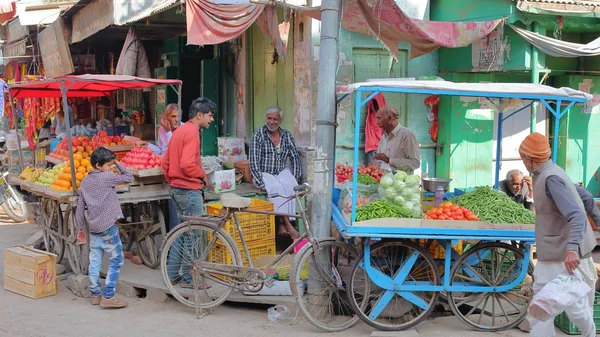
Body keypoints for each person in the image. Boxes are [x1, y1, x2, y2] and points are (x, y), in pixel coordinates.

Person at [518, 132, 597, 337]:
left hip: (565, 255)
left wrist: (571, 249)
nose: (522, 160)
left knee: (573, 307)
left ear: (531, 158)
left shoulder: (551, 178)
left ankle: (590, 333)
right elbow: (585, 196)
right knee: (541, 306)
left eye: (523, 157)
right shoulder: (548, 172)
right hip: (552, 251)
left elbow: (577, 215)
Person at [162, 97, 215, 288]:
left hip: (177, 188)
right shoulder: (192, 132)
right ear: (199, 115)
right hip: (189, 190)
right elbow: (186, 164)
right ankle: (189, 277)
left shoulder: (180, 131)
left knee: (182, 232)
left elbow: (165, 163)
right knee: (194, 235)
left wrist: (173, 181)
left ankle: (172, 274)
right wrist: (203, 177)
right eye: (210, 115)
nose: (212, 120)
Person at [75, 147, 133, 309]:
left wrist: (80, 228)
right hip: (108, 227)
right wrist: (118, 163)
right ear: (99, 165)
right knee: (117, 259)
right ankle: (108, 296)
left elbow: (80, 208)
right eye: (108, 165)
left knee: (95, 261)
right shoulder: (107, 177)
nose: (111, 167)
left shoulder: (85, 181)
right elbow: (129, 177)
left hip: (93, 227)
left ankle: (95, 294)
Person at [249, 106, 302, 239]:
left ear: (280, 121)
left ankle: (287, 222)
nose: (272, 122)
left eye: (275, 119)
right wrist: (260, 181)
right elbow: (253, 162)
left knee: (291, 185)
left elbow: (294, 157)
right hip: (264, 173)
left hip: (280, 171)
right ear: (266, 118)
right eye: (269, 118)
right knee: (276, 188)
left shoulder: (287, 135)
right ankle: (285, 223)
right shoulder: (258, 135)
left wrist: (295, 177)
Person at [373, 105, 420, 173]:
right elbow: (379, 163)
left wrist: (389, 160)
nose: (377, 122)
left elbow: (415, 163)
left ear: (389, 118)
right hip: (384, 181)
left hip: (401, 182)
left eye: (379, 118)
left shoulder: (406, 135)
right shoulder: (383, 137)